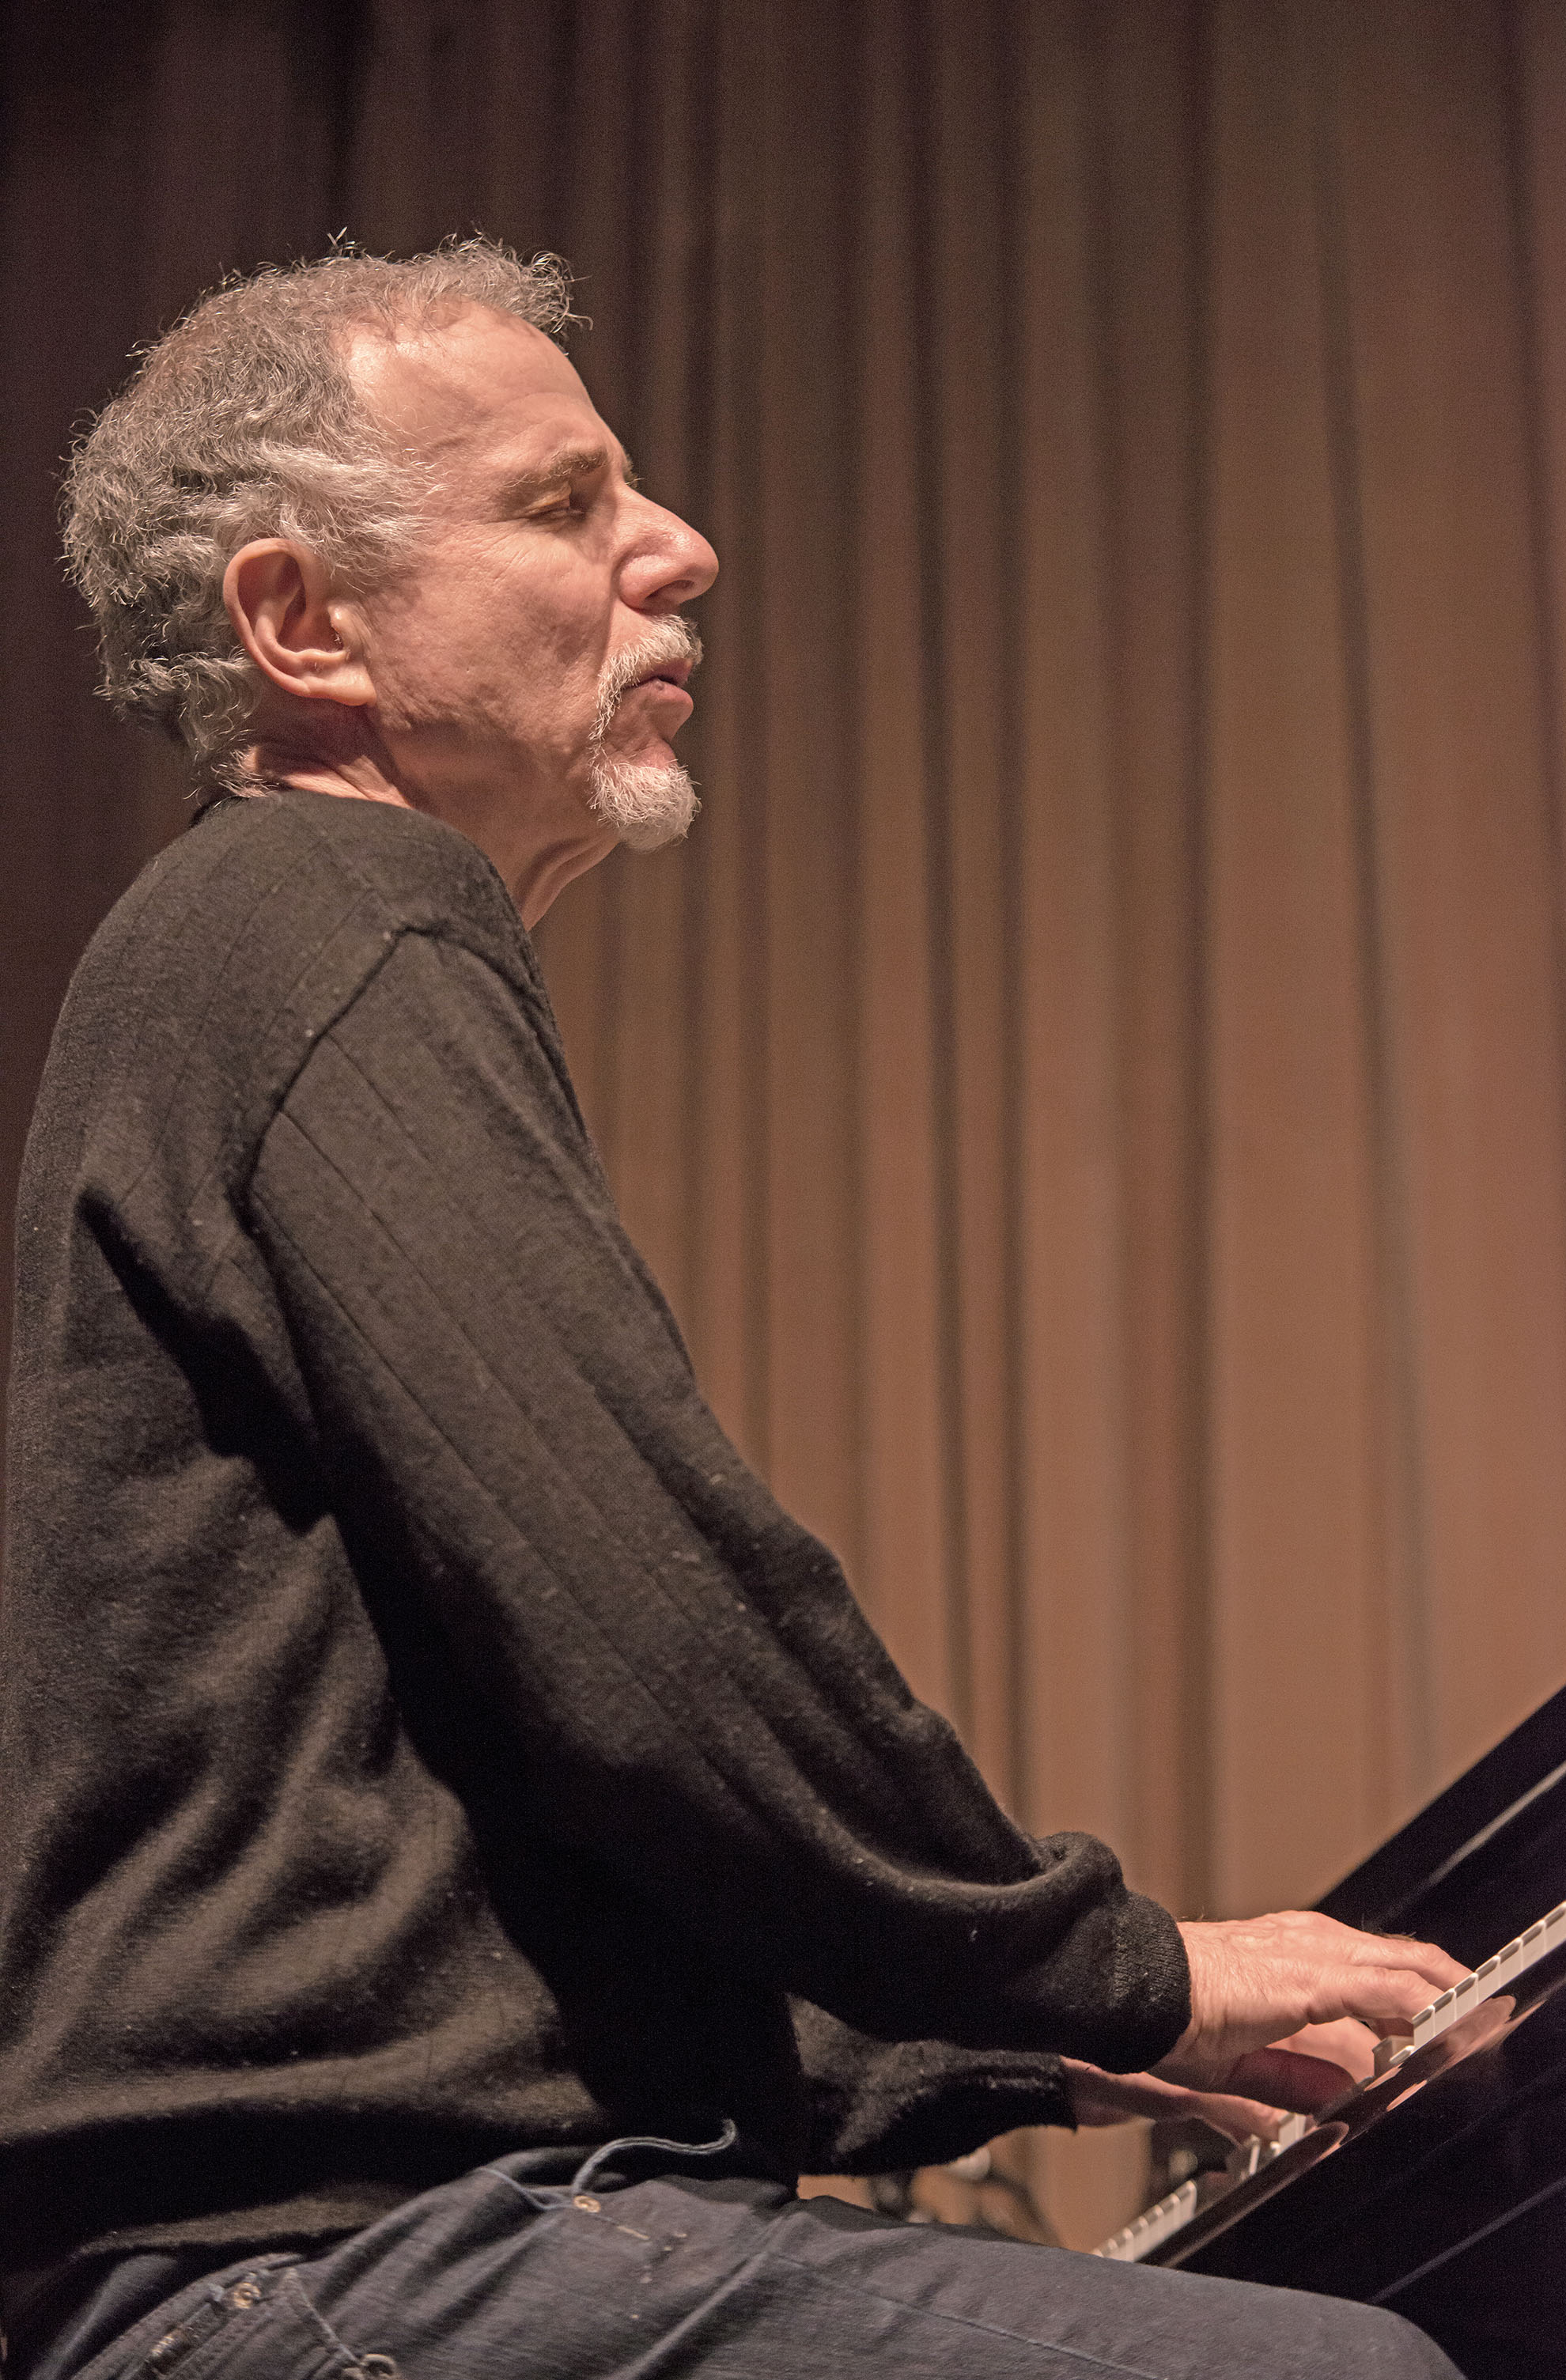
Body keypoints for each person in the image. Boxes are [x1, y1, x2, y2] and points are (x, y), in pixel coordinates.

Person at [0, 239, 1466, 2380]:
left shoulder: (256, 952)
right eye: (562, 503)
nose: (681, 547)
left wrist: (1020, 2057)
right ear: (303, 623)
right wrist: (1113, 1971)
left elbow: (484, 1868)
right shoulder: (328, 914)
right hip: (334, 2273)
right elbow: (657, 1629)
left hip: (329, 2255)